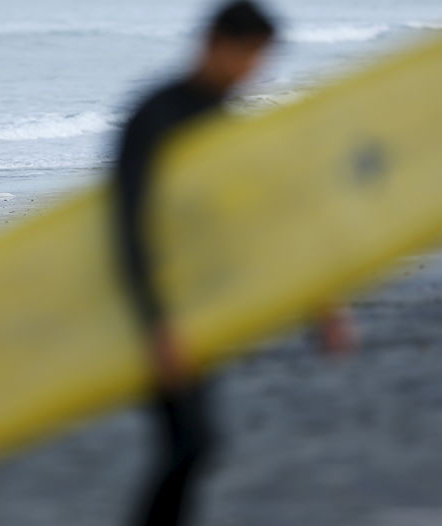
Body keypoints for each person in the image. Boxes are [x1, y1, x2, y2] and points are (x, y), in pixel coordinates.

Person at [112, 2, 277, 525]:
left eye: (260, 58)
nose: (253, 70)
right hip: (155, 304)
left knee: (193, 443)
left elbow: (244, 216)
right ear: (214, 44)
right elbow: (130, 224)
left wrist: (318, 300)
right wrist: (158, 323)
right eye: (248, 55)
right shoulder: (157, 114)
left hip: (200, 304)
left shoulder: (221, 117)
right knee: (192, 441)